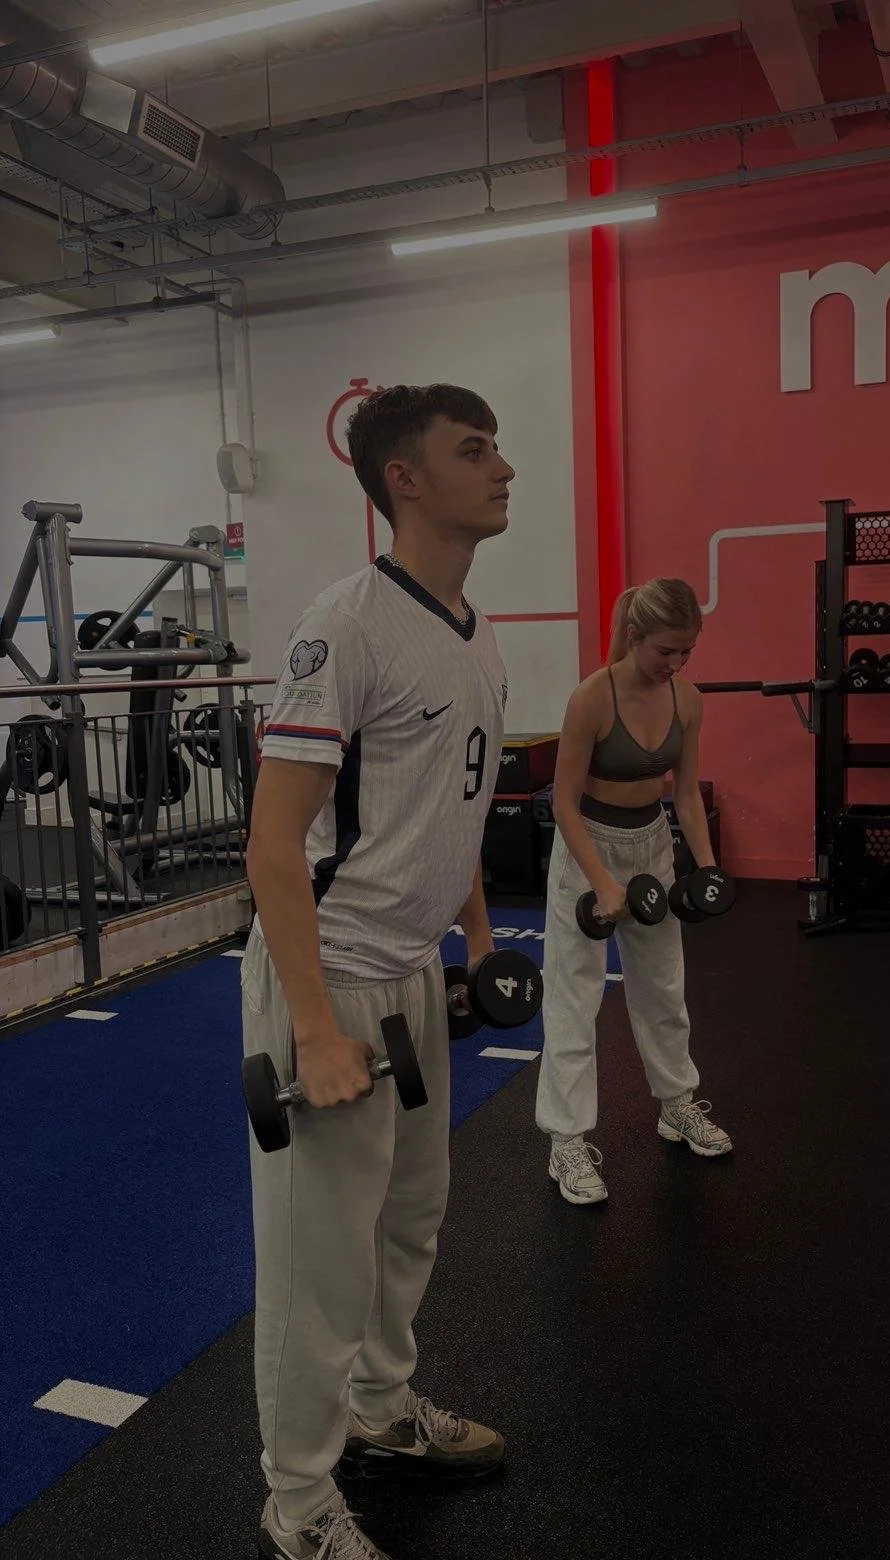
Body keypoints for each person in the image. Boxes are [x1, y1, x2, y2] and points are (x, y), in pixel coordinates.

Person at [242, 384, 514, 1560]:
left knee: (412, 1222)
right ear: (405, 479)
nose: (504, 466)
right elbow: (271, 845)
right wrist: (314, 1030)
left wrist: (481, 942)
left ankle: (381, 1411)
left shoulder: (474, 627)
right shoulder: (344, 624)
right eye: (475, 449)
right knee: (319, 1262)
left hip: (409, 976)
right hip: (333, 978)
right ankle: (296, 1504)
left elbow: (448, 814)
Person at [536, 578, 732, 1205]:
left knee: (663, 986)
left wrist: (706, 867)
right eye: (665, 652)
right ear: (634, 636)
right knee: (575, 995)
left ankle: (676, 1104)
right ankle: (566, 1141)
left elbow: (686, 795)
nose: (675, 664)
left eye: (686, 653)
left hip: (653, 843)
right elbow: (562, 801)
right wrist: (601, 883)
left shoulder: (689, 700)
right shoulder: (592, 699)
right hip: (588, 845)